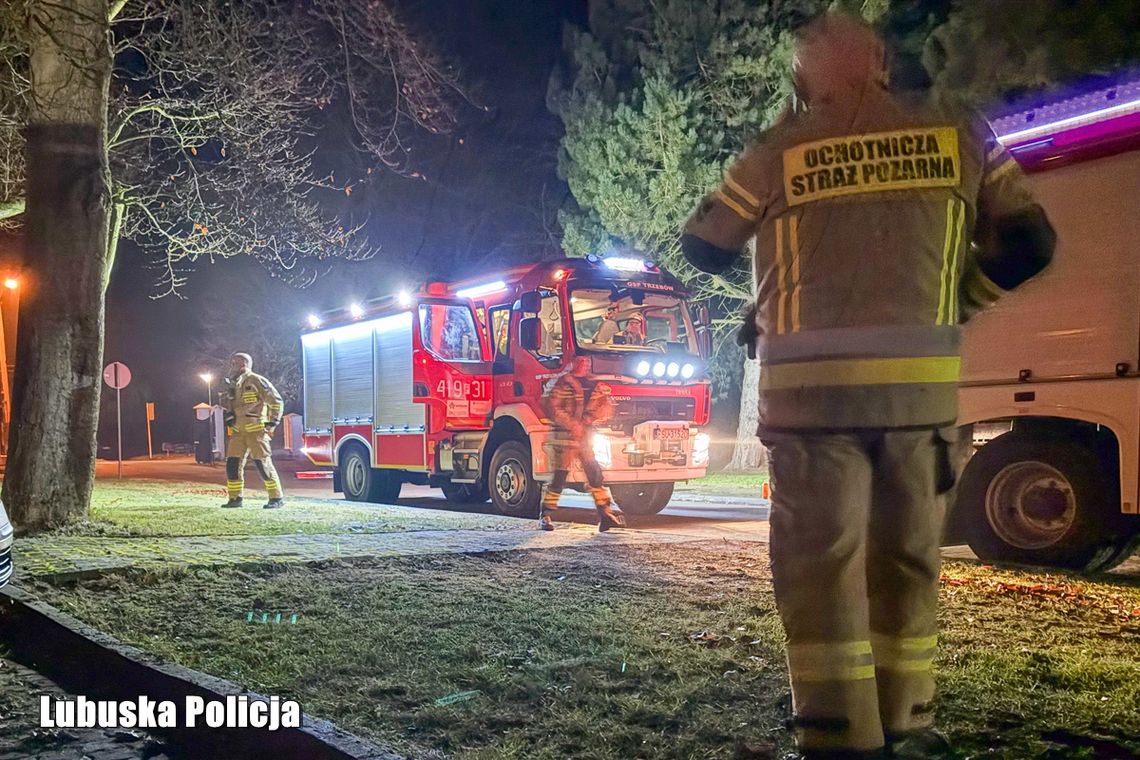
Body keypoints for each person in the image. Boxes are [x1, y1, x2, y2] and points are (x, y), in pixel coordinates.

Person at [681, 11, 1055, 760]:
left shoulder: (783, 146)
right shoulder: (959, 129)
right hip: (918, 404)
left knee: (822, 573)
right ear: (884, 62)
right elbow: (1031, 244)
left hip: (811, 407)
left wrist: (780, 148)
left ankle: (836, 737)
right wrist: (958, 298)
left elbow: (704, 244)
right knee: (907, 565)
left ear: (801, 77)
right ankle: (910, 725)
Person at [541, 356, 627, 533]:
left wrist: (590, 419)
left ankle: (605, 514)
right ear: (573, 362)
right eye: (581, 361)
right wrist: (572, 424)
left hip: (584, 437)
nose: (585, 364)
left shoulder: (594, 384)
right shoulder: (563, 383)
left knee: (594, 474)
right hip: (564, 437)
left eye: (587, 361)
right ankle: (545, 514)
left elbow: (606, 406)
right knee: (560, 476)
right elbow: (553, 407)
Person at [218, 352, 286, 509]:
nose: (231, 366)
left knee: (263, 464)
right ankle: (235, 499)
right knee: (233, 465)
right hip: (237, 432)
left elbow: (276, 401)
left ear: (244, 365)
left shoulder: (257, 381)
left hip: (256, 432)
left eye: (235, 363)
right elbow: (230, 405)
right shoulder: (233, 384)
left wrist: (272, 423)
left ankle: (276, 498)